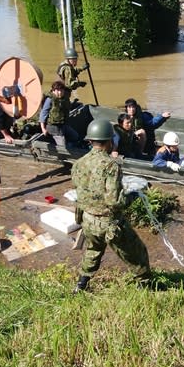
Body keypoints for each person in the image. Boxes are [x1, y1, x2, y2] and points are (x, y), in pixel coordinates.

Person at [70, 118, 151, 293]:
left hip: (87, 220)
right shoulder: (111, 166)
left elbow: (81, 190)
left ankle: (81, 285)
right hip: (109, 224)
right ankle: (146, 288)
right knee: (139, 254)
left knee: (93, 249)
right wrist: (133, 196)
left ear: (90, 140)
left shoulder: (78, 163)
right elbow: (114, 201)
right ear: (109, 141)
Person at [39, 81, 80, 147]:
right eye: (57, 90)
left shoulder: (64, 99)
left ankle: (70, 145)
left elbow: (67, 107)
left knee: (75, 136)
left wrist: (74, 104)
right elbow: (43, 114)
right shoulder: (50, 100)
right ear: (53, 91)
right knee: (63, 146)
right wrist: (43, 128)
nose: (60, 93)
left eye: (61, 90)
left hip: (63, 125)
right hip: (53, 127)